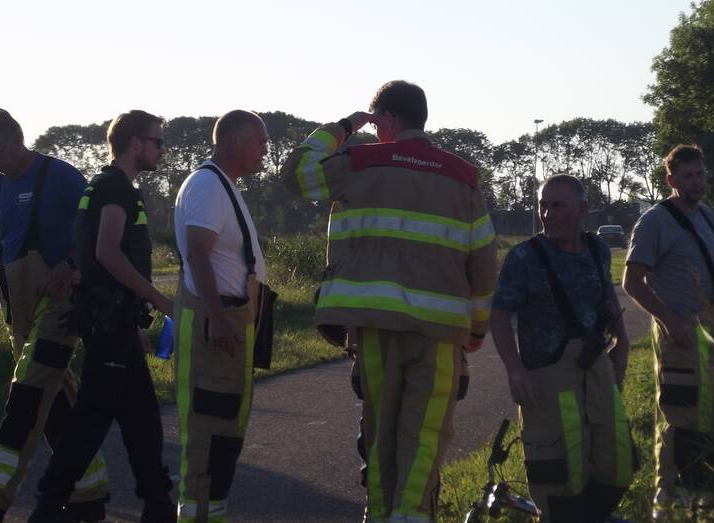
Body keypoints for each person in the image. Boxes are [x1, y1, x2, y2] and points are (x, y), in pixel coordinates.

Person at [282, 80, 498, 522]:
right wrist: (476, 329)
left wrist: (343, 127)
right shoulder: (462, 176)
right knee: (423, 441)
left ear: (385, 119)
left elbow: (296, 173)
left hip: (375, 330)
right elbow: (483, 263)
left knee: (381, 439)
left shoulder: (359, 162)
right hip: (440, 335)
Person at [0, 109, 109, 523]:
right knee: (54, 393)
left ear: (19, 139)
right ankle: (88, 490)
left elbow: (94, 229)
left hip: (62, 298)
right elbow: (6, 232)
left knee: (28, 391)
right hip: (17, 295)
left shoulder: (62, 176)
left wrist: (71, 265)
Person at [27, 110, 176, 523]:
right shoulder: (116, 189)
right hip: (108, 325)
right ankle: (49, 503)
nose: (162, 150)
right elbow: (107, 253)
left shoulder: (106, 186)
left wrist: (134, 323)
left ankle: (158, 504)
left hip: (115, 323)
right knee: (92, 419)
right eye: (157, 142)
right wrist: (162, 302)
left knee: (142, 417)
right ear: (134, 144)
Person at [622, 144, 714, 519]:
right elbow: (632, 281)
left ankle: (704, 499)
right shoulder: (655, 221)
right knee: (679, 423)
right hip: (681, 340)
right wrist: (670, 320)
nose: (696, 181)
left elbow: (709, 278)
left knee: (713, 418)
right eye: (687, 175)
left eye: (700, 173)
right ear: (671, 180)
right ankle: (667, 506)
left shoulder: (708, 216)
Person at [491, 174, 634, 522]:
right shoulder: (525, 257)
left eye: (557, 205)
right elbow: (498, 315)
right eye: (543, 206)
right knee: (559, 476)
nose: (548, 214)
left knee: (615, 461)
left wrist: (623, 341)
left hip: (595, 366)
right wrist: (515, 369)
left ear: (582, 209)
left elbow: (607, 298)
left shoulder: (597, 248)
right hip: (547, 379)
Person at [171, 110, 269, 523]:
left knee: (224, 437)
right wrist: (218, 316)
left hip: (230, 323)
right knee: (208, 440)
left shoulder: (223, 185)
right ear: (232, 140)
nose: (265, 151)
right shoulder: (209, 185)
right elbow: (197, 251)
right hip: (218, 324)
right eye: (259, 142)